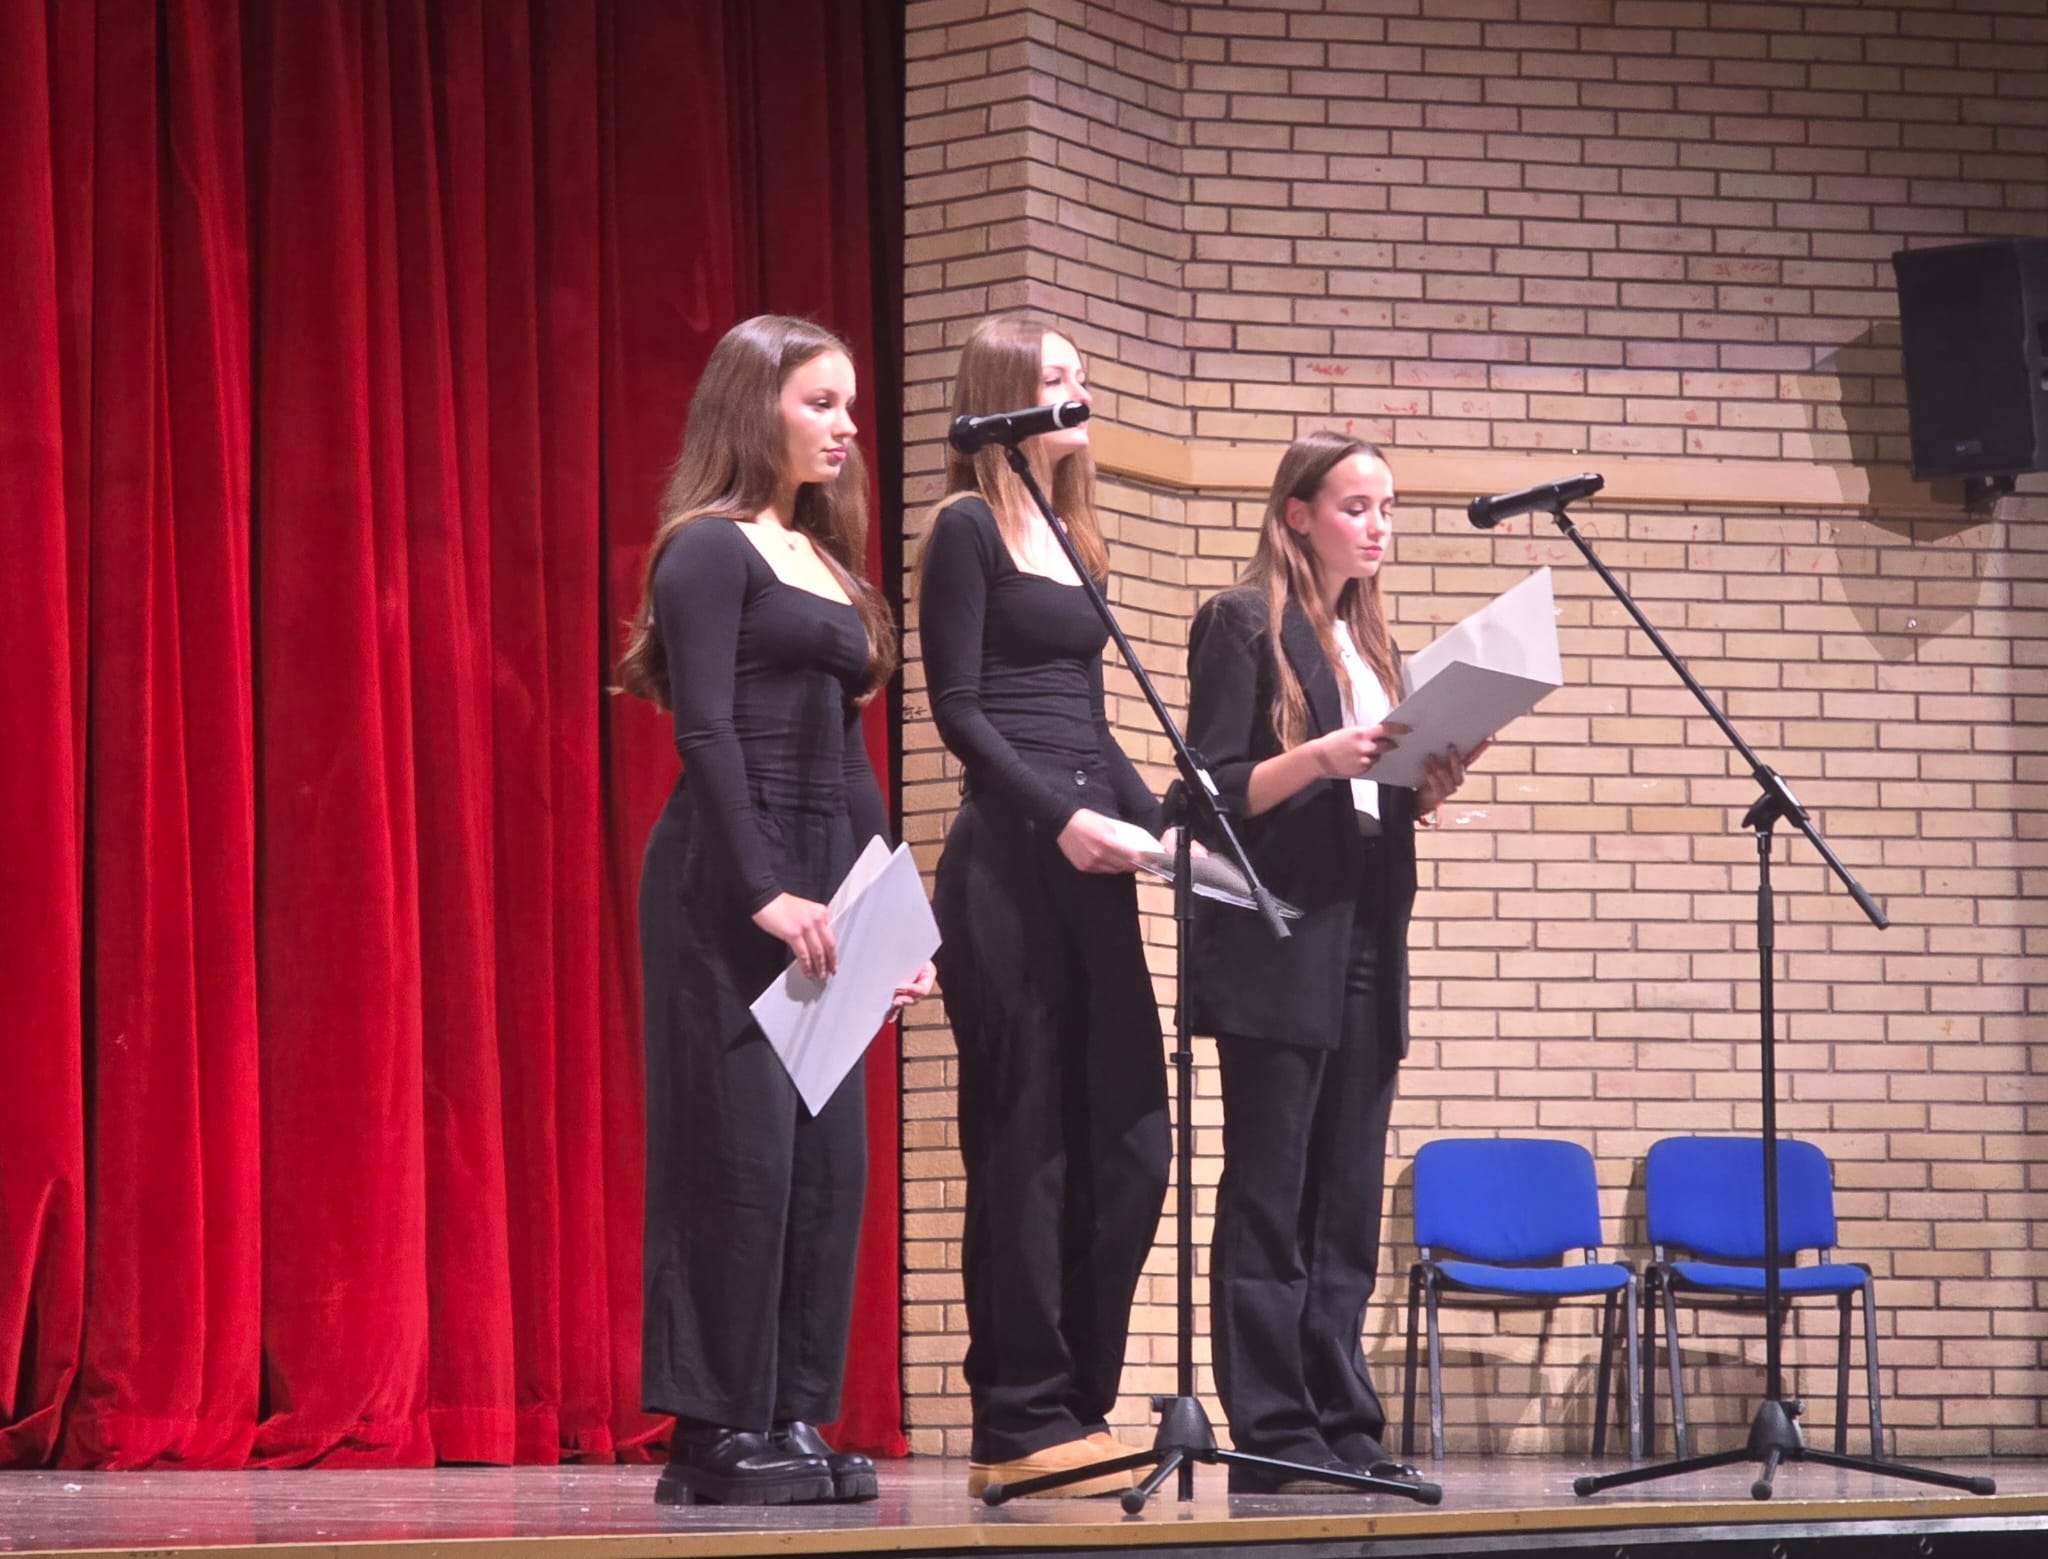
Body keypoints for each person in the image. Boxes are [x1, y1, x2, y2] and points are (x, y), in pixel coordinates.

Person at [617, 315, 933, 1507]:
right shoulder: (708, 549)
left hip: (822, 886)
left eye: (848, 404)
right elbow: (705, 732)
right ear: (756, 408)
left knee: (825, 1164)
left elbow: (848, 760)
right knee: (736, 1156)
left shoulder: (827, 564)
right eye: (820, 402)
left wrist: (892, 921)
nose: (846, 425)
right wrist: (761, 889)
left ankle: (791, 1410)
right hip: (727, 881)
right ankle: (712, 1429)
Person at [1183, 431, 1480, 1495]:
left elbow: (1368, 797)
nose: (1377, 526)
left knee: (1345, 1191)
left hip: (1365, 928)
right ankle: (1272, 1426)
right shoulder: (1241, 622)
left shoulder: (1373, 647)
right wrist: (1318, 755)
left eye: (1388, 508)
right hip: (1281, 932)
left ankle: (1343, 1420)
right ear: (1297, 514)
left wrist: (1423, 785)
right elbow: (1206, 789)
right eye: (1356, 506)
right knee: (1273, 1187)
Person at [918, 315, 1171, 1498]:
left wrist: (1164, 827)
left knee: (1129, 1140)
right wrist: (1060, 815)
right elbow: (959, 710)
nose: (1078, 394)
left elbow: (1091, 723)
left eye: (1080, 376)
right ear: (1003, 399)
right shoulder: (964, 528)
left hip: (1090, 863)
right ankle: (1016, 1415)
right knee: (1024, 1140)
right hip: (1009, 861)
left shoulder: (1076, 539)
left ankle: (1077, 1398)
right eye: (1054, 377)